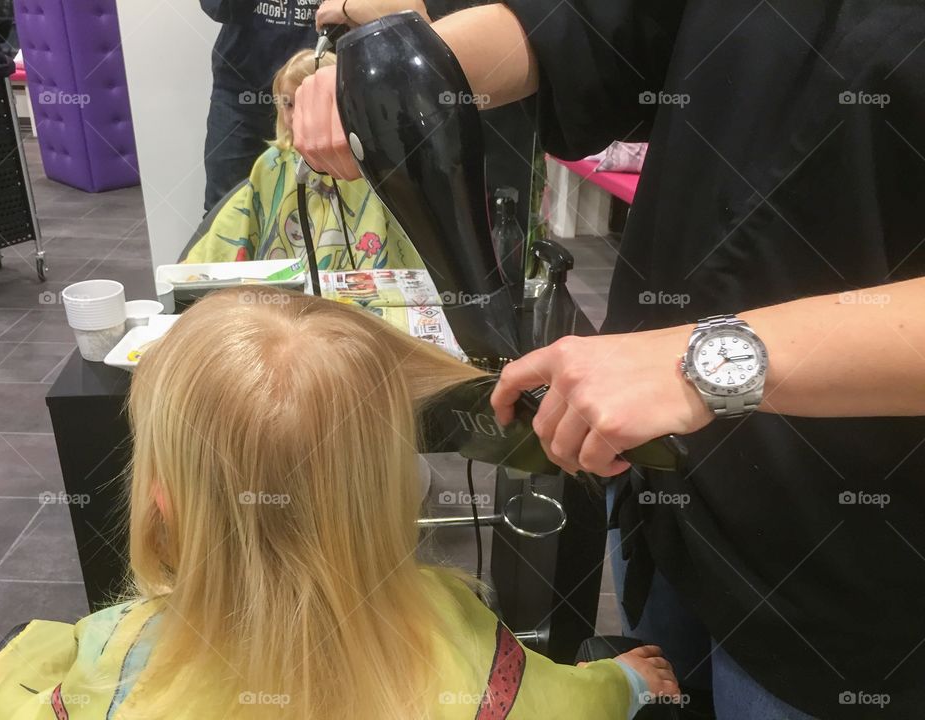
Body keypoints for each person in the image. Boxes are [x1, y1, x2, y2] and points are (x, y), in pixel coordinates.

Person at [295, 2, 925, 718]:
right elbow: (597, 28)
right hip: (665, 486)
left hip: (852, 562)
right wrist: (406, 68)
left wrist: (710, 361)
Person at [0, 287, 680, 719]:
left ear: (162, 498)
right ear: (394, 488)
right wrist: (624, 682)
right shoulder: (457, 640)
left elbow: (21, 686)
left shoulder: (116, 654)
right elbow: (556, 706)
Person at [185, 49, 424, 269]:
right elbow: (232, 230)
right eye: (288, 104)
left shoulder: (373, 163)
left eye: (306, 102)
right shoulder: (272, 165)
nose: (295, 115)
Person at [200, 0, 320, 213]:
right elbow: (219, 8)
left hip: (314, 92)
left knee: (319, 209)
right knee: (224, 210)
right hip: (240, 94)